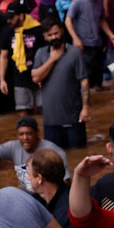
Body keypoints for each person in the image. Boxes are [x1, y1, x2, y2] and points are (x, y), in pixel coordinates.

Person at [31, 16, 89, 149]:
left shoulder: (75, 53)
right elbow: (35, 77)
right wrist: (52, 59)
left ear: (62, 32)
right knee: (54, 157)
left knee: (78, 153)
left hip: (73, 118)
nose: (53, 37)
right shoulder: (41, 53)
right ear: (45, 36)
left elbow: (84, 82)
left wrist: (85, 108)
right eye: (49, 35)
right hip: (51, 121)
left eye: (56, 33)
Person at [0, 116, 61, 191]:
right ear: (17, 135)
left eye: (29, 134)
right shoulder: (14, 147)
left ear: (37, 133)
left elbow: (65, 181)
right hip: (26, 194)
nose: (25, 138)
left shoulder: (53, 151)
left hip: (45, 195)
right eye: (21, 134)